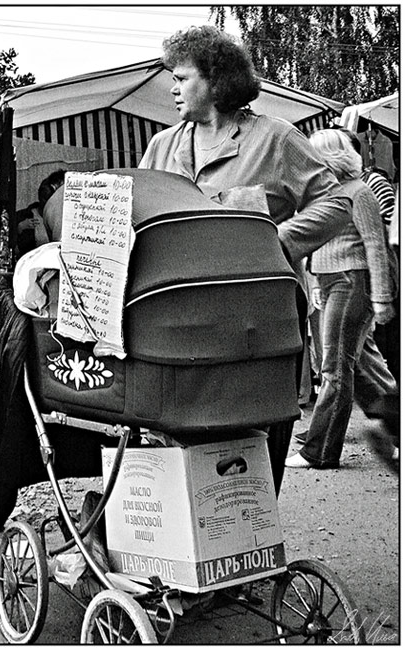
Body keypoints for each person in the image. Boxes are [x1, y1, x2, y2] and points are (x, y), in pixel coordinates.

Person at [137, 25, 352, 493]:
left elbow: (336, 204)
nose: (172, 87)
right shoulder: (162, 145)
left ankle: (253, 526)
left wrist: (276, 239)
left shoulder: (275, 138)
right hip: (180, 316)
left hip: (261, 313)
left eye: (182, 77)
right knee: (179, 427)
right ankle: (186, 540)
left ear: (215, 80)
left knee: (253, 431)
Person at [285, 129, 396, 469]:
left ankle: (319, 451)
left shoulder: (359, 192)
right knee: (357, 367)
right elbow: (318, 243)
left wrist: (381, 297)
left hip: (351, 282)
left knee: (334, 367)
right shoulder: (326, 195)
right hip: (334, 283)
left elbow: (375, 243)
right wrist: (316, 280)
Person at [15, 169, 65, 258]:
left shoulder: (61, 216)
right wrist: (20, 228)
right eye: (43, 198)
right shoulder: (24, 216)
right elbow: (14, 250)